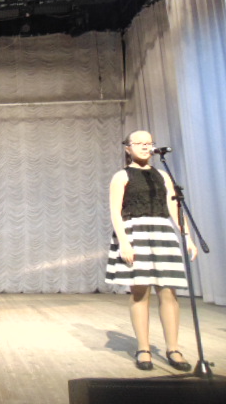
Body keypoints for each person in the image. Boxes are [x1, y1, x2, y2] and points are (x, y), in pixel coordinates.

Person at [105, 130, 198, 371]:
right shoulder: (121, 176)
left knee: (168, 292)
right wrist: (124, 242)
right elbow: (115, 211)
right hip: (135, 232)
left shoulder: (163, 175)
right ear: (128, 148)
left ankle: (173, 348)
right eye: (139, 143)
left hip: (161, 232)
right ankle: (143, 348)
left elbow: (173, 208)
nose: (145, 146)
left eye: (149, 143)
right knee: (140, 293)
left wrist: (187, 236)